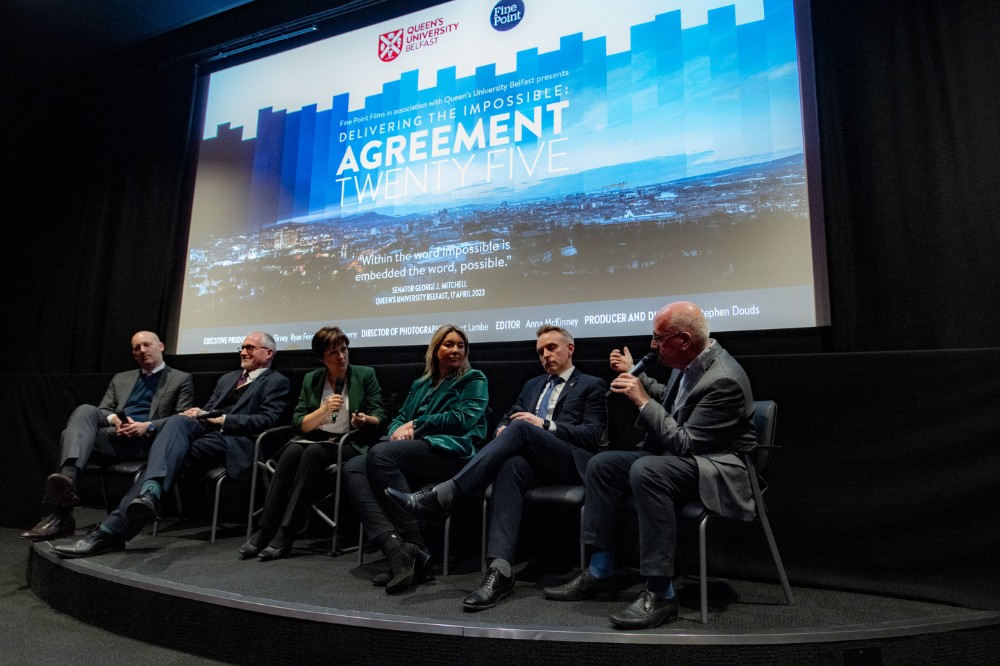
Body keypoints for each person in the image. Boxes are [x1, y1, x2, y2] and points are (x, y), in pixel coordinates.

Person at [542, 301, 757, 630]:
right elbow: (673, 400)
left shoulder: (723, 380)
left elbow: (686, 444)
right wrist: (633, 375)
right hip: (681, 460)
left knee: (648, 470)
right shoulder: (689, 363)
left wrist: (641, 399)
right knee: (603, 464)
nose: (653, 346)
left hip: (714, 466)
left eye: (658, 338)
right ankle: (601, 570)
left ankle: (660, 591)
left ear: (683, 340)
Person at [387, 325, 607, 610]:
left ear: (570, 349)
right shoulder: (532, 385)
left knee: (522, 428)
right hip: (530, 461)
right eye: (540, 351)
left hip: (568, 461)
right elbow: (507, 415)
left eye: (551, 348)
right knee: (511, 464)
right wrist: (503, 427)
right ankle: (500, 570)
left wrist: (543, 424)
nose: (545, 356)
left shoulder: (591, 384)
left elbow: (592, 435)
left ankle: (448, 493)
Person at [52, 332, 290, 558]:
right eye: (242, 347)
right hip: (203, 432)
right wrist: (199, 413)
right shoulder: (228, 378)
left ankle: (110, 530)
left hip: (231, 441)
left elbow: (266, 420)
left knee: (164, 461)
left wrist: (221, 419)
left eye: (250, 347)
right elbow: (208, 408)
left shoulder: (277, 382)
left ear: (268, 353)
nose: (243, 352)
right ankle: (142, 500)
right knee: (178, 422)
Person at [344, 324, 488, 594]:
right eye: (449, 344)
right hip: (414, 450)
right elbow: (399, 418)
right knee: (353, 466)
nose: (455, 349)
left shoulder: (473, 379)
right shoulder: (420, 384)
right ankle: (397, 550)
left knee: (380, 455)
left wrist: (417, 425)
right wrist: (398, 432)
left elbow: (463, 419)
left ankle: (413, 545)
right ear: (435, 349)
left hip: (451, 451)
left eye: (460, 345)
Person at [19, 331, 194, 542]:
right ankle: (68, 481)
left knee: (69, 435)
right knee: (85, 410)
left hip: (147, 442)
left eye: (146, 345)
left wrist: (146, 426)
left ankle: (61, 516)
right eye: (137, 348)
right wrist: (114, 420)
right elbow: (103, 410)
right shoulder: (122, 378)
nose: (142, 350)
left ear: (161, 346)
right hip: (115, 437)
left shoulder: (181, 379)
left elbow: (183, 420)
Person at [238, 326, 386, 561]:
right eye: (333, 353)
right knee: (293, 450)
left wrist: (365, 419)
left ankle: (286, 533)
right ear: (321, 358)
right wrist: (324, 410)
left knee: (313, 452)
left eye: (344, 350)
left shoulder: (364, 375)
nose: (341, 357)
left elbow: (380, 415)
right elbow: (299, 423)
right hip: (316, 438)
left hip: (350, 443)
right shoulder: (312, 379)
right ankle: (265, 530)